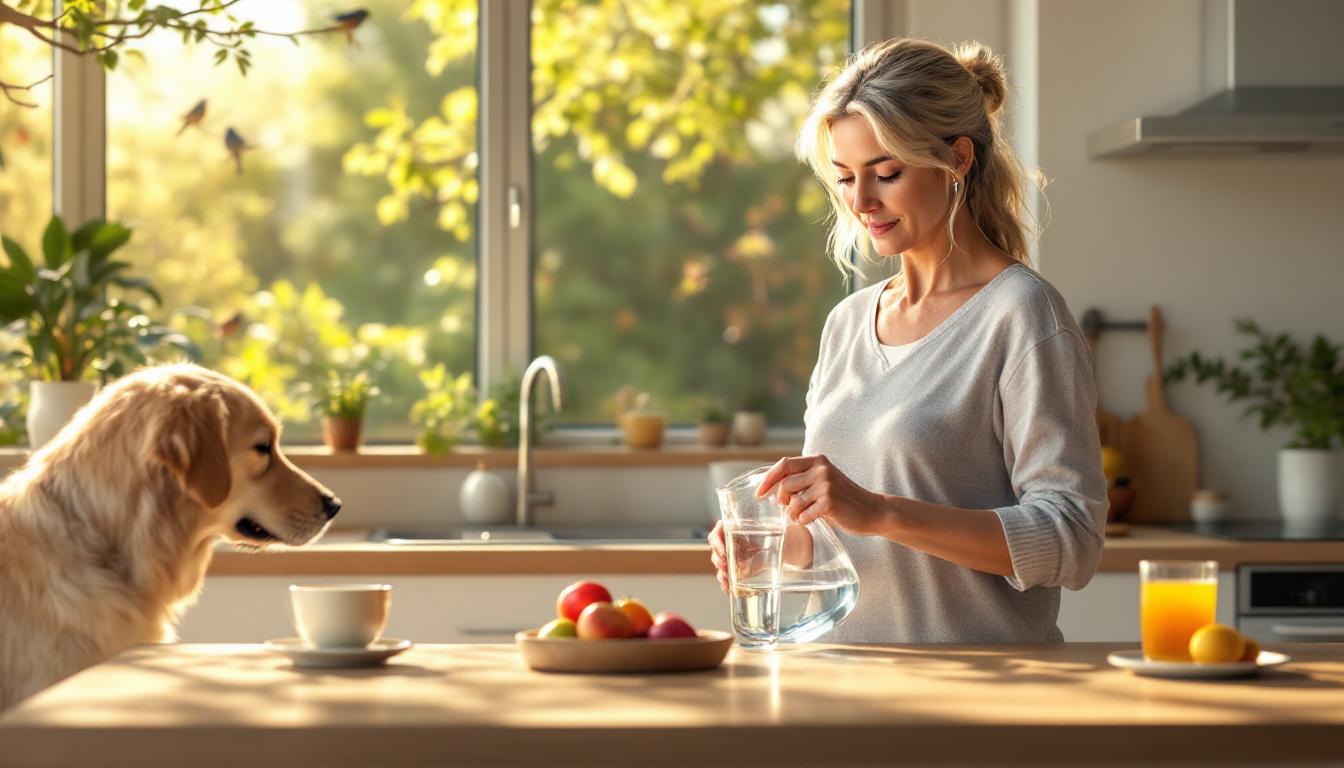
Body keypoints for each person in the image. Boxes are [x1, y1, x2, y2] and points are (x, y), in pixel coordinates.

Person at [708, 38, 1107, 643]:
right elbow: (842, 538)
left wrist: (881, 511)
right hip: (850, 691)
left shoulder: (1023, 315)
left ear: (958, 160)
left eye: (886, 174)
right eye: (844, 178)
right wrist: (779, 545)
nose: (861, 202)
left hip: (980, 694)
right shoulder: (847, 324)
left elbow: (1070, 540)